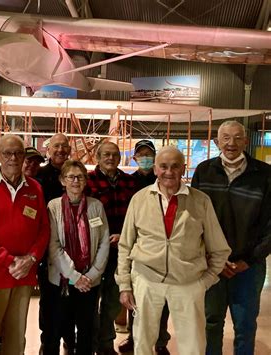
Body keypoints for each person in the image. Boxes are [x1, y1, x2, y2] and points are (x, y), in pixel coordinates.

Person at [116, 146, 231, 355]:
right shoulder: (139, 199)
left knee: (193, 344)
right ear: (155, 170)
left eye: (175, 166)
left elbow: (220, 248)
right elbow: (125, 245)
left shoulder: (201, 201)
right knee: (142, 341)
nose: (169, 171)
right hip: (146, 280)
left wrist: (205, 281)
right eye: (163, 166)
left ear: (184, 169)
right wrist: (125, 284)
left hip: (188, 283)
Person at [191, 120, 271, 355]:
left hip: (248, 267)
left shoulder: (264, 175)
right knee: (211, 322)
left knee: (245, 325)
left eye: (237, 138)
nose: (231, 143)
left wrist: (249, 259)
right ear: (217, 142)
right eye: (226, 138)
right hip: (211, 265)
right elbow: (194, 221)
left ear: (246, 141)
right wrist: (210, 257)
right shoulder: (204, 171)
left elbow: (270, 225)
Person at [0, 134, 50, 355]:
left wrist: (31, 258)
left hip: (23, 277)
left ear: (24, 156)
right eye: (7, 153)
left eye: (18, 153)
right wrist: (10, 260)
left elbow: (43, 229)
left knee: (15, 340)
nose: (13, 158)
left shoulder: (34, 188)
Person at [45, 160, 110, 355]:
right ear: (62, 180)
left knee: (86, 330)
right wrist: (75, 277)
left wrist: (91, 275)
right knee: (59, 327)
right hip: (62, 280)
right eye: (70, 177)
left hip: (90, 281)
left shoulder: (96, 206)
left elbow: (104, 242)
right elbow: (53, 245)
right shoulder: (53, 207)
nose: (75, 180)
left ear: (85, 180)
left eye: (80, 176)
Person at [119, 140, 171, 355]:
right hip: (137, 246)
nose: (145, 158)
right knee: (137, 299)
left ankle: (161, 341)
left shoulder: (164, 180)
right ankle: (133, 336)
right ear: (134, 158)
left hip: (162, 250)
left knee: (163, 301)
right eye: (141, 154)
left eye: (149, 154)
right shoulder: (128, 183)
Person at [85, 141, 136, 355]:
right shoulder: (87, 181)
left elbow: (136, 217)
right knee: (89, 300)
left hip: (121, 251)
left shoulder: (129, 182)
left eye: (115, 154)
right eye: (106, 154)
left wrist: (123, 236)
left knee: (113, 300)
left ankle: (106, 344)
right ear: (97, 157)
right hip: (93, 251)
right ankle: (89, 343)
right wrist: (103, 238)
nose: (111, 158)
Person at [36, 133, 74, 353]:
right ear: (48, 150)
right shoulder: (39, 177)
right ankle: (47, 342)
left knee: (71, 300)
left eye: (64, 146)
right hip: (46, 250)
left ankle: (70, 339)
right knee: (48, 300)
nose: (60, 150)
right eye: (56, 146)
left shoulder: (76, 174)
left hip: (74, 250)